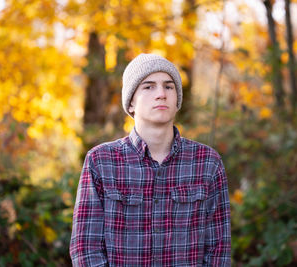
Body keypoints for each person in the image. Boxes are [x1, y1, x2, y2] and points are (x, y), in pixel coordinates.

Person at [70, 53, 231, 266]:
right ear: (131, 103)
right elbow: (86, 250)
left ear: (177, 101)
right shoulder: (100, 161)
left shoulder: (207, 162)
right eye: (148, 87)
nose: (161, 94)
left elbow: (218, 250)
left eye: (169, 86)